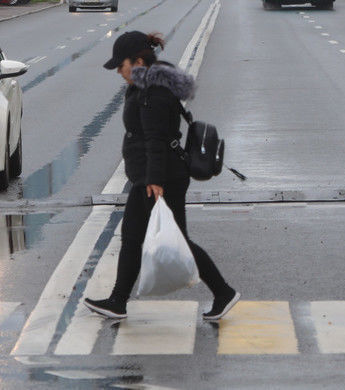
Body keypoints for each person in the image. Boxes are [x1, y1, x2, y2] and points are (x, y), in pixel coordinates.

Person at [83, 31, 239, 322]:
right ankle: (118, 301)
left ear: (139, 61)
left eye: (122, 65)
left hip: (160, 178)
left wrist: (154, 181)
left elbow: (155, 139)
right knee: (131, 237)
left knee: (177, 240)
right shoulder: (145, 86)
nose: (119, 71)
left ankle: (223, 292)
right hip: (150, 174)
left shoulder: (152, 93)